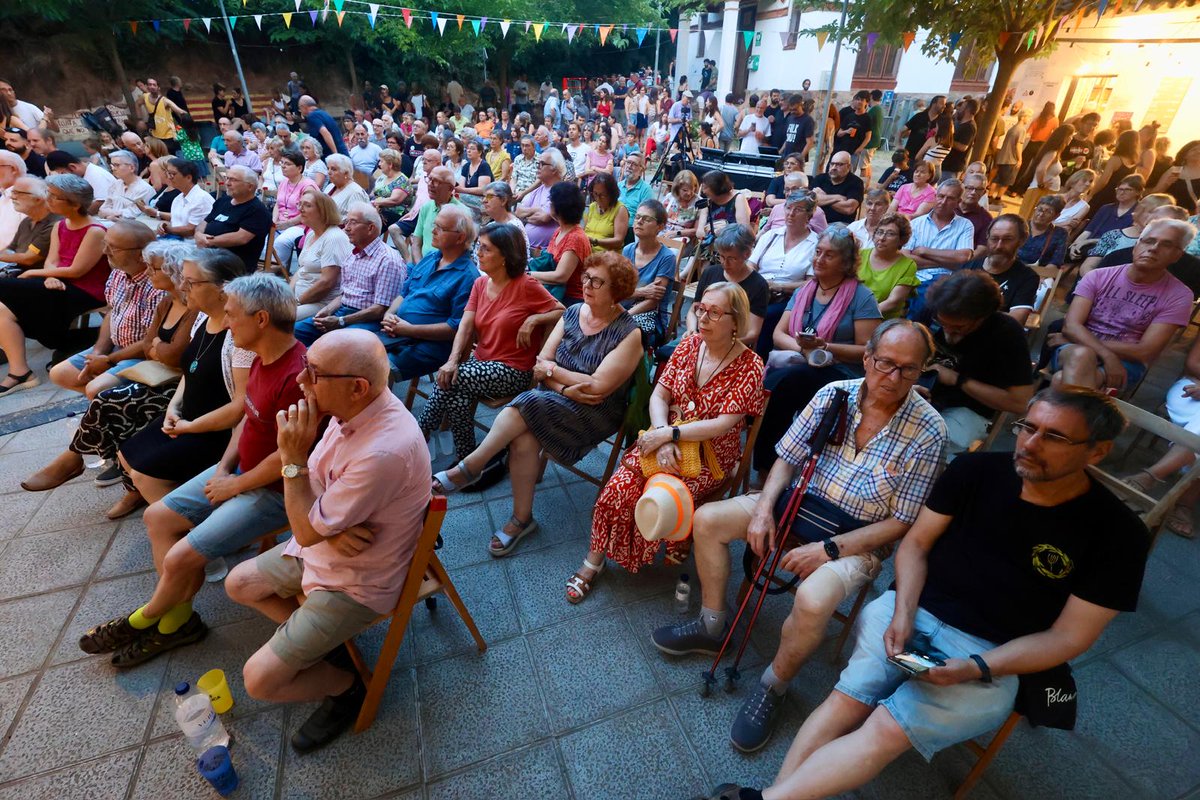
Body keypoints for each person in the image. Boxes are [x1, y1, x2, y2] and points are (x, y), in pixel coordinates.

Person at [712, 387, 1148, 800]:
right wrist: (903, 612)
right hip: (912, 609)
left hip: (994, 651)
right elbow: (916, 544)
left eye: (1054, 436)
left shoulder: (1119, 534)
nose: (1030, 444)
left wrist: (976, 666)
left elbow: (1070, 638)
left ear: (1097, 451)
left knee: (884, 732)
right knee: (846, 700)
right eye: (1027, 427)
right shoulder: (977, 472)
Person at [655, 320, 945, 752]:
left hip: (856, 536)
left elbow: (902, 522)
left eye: (909, 369)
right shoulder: (833, 395)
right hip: (796, 503)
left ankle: (775, 684)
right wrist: (764, 510)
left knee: (813, 599)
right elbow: (786, 459)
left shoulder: (930, 430)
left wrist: (829, 549)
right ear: (867, 358)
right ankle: (714, 624)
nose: (894, 377)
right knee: (709, 520)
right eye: (885, 363)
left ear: (921, 371)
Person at [78, 272, 305, 668]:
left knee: (182, 556)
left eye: (232, 315)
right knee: (158, 517)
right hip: (239, 474)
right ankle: (178, 620)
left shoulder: (294, 375)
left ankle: (145, 618)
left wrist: (233, 486)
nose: (227, 323)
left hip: (276, 491)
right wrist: (223, 469)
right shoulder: (261, 361)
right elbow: (247, 423)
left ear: (261, 320)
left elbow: (290, 458)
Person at [226, 327, 429, 752]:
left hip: (357, 583)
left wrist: (291, 461)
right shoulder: (346, 412)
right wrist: (328, 531)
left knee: (258, 681)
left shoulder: (382, 450)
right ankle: (321, 644)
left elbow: (302, 507)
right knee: (237, 583)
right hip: (322, 550)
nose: (301, 382)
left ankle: (346, 685)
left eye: (313, 373)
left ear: (358, 387)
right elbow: (315, 485)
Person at [568, 282, 766, 601]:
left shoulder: (750, 365)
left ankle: (675, 535)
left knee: (661, 496)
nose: (703, 316)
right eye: (700, 308)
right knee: (618, 488)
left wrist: (669, 434)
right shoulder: (688, 346)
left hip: (709, 454)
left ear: (736, 320)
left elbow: (724, 424)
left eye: (715, 312)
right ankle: (594, 561)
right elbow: (660, 394)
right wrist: (661, 433)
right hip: (665, 439)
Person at [21, 240, 199, 511]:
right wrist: (155, 349)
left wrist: (157, 349)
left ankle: (78, 457)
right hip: (157, 373)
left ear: (175, 272)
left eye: (155, 269)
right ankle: (123, 479)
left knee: (110, 401)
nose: (150, 273)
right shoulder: (166, 302)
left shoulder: (193, 307)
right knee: (110, 400)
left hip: (179, 382)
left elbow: (171, 354)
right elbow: (150, 346)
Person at [419, 222, 563, 463]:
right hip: (481, 365)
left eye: (486, 249)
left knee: (455, 378)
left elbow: (562, 311)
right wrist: (452, 360)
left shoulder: (526, 285)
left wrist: (534, 319)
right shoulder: (480, 283)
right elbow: (465, 326)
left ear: (505, 255)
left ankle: (420, 434)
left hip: (514, 371)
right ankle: (468, 458)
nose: (478, 253)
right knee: (457, 390)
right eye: (478, 247)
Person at [753, 227, 884, 472]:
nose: (819, 259)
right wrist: (806, 351)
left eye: (829, 255)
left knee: (784, 384)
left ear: (845, 263)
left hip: (842, 373)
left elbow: (868, 350)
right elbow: (779, 334)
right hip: (803, 364)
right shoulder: (806, 291)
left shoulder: (861, 297)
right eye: (818, 252)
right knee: (781, 382)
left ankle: (767, 466)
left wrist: (824, 347)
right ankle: (767, 463)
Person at [1052, 219, 1195, 392]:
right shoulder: (1098, 276)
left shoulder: (1179, 295)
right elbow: (1071, 326)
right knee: (1082, 356)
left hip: (1126, 361)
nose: (1153, 248)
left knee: (1062, 379)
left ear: (1177, 255)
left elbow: (1145, 351)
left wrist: (1083, 340)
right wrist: (1106, 355)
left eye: (1166, 245)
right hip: (1075, 349)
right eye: (1148, 241)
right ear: (1136, 245)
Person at [0, 175, 107, 393]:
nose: (48, 199)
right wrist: (48, 275)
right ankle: (20, 372)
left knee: (8, 287)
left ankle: (59, 339)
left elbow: (78, 270)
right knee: (2, 310)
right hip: (59, 283)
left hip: (86, 290)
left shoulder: (94, 230)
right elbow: (52, 260)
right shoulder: (60, 226)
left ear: (75, 204)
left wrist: (34, 274)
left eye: (54, 196)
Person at [44, 221, 163, 399]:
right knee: (59, 373)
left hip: (143, 356)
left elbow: (150, 339)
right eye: (105, 244)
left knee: (96, 388)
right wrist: (98, 352)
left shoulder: (157, 284)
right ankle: (110, 407)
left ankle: (109, 407)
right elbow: (112, 313)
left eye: (113, 247)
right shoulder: (118, 273)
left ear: (140, 255)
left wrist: (109, 360)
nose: (105, 251)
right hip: (115, 348)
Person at [923, 271, 1035, 454]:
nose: (948, 333)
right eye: (943, 324)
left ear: (983, 317)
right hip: (924, 393)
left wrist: (958, 380)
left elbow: (1020, 402)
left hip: (967, 410)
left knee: (928, 446)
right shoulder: (936, 308)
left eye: (959, 328)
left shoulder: (1006, 333)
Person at [379, 204, 478, 380]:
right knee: (353, 350)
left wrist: (409, 330)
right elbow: (405, 292)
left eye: (440, 228)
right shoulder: (432, 257)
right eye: (434, 225)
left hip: (429, 345)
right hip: (397, 331)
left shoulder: (468, 277)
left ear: (460, 237)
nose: (433, 231)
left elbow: (456, 328)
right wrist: (389, 314)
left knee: (371, 369)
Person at [296, 202, 404, 344]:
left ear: (370, 228)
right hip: (343, 312)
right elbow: (345, 295)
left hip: (369, 320)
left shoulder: (388, 260)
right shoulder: (353, 254)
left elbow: (380, 309)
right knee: (293, 331)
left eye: (352, 223)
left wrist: (341, 321)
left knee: (329, 345)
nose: (346, 228)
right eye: (346, 222)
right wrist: (327, 311)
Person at [750, 190, 821, 356]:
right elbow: (751, 265)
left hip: (789, 299)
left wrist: (779, 286)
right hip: (759, 291)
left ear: (809, 215)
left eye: (798, 209)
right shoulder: (771, 235)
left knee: (767, 316)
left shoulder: (816, 243)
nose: (791, 213)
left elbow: (812, 283)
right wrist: (757, 284)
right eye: (788, 208)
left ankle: (758, 363)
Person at [287, 189, 353, 322]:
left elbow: (327, 282)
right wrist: (287, 295)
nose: (301, 209)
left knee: (277, 318)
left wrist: (297, 301)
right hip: (300, 298)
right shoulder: (312, 234)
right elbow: (302, 269)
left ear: (323, 211)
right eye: (300, 204)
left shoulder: (334, 237)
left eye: (308, 205)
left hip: (321, 303)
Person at [193, 165, 271, 274]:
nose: (227, 183)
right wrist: (198, 234)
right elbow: (205, 221)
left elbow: (241, 237)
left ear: (250, 186)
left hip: (233, 264)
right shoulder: (223, 201)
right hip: (209, 254)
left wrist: (208, 241)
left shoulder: (257, 210)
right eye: (227, 178)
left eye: (233, 180)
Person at [1079, 193, 1177, 276]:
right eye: (1152, 212)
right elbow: (1087, 267)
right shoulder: (1113, 235)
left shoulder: (1164, 246)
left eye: (1164, 214)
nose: (1157, 217)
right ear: (1140, 211)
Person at [621, 200, 676, 339]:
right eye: (638, 217)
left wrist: (624, 315)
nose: (639, 222)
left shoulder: (667, 257)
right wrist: (642, 291)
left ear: (660, 226)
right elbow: (618, 290)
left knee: (622, 331)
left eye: (646, 219)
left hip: (649, 317)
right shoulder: (628, 250)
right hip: (622, 308)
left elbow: (652, 301)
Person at [532, 182, 591, 304]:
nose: (549, 206)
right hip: (553, 291)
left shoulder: (576, 238)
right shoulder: (559, 231)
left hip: (569, 299)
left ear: (559, 207)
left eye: (551, 203)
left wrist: (528, 274)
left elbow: (561, 276)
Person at [859, 213, 919, 320]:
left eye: (890, 234)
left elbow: (893, 302)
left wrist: (861, 314)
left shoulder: (908, 266)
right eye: (879, 232)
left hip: (883, 320)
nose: (881, 238)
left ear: (901, 239)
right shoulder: (859, 255)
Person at [1072, 174, 1144, 260]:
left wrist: (1087, 242)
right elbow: (1088, 231)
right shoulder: (1106, 208)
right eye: (1119, 189)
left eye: (1128, 190)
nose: (1121, 192)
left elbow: (1124, 240)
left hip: (1113, 250)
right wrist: (1075, 245)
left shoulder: (1139, 213)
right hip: (1088, 246)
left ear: (1138, 192)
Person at [0, 175, 59, 273]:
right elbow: (10, 249)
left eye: (18, 193)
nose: (12, 196)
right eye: (13, 192)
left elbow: (28, 259)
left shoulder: (54, 224)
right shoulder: (27, 221)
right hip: (15, 272)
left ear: (38, 199)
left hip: (37, 278)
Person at [271, 150, 318, 270]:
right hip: (281, 222)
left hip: (301, 224)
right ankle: (267, 265)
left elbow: (308, 213)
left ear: (299, 168)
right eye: (282, 162)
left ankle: (277, 269)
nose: (283, 166)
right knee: (263, 237)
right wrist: (273, 221)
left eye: (287, 164)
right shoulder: (284, 182)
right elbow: (278, 204)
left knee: (282, 241)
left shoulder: (308, 186)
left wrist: (288, 224)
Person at [515, 149, 565, 251]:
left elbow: (544, 218)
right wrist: (538, 209)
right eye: (538, 163)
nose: (538, 167)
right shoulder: (536, 191)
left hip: (547, 253)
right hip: (528, 250)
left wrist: (527, 215)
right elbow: (518, 212)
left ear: (554, 169)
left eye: (542, 164)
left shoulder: (561, 191)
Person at [44, 150, 118, 215]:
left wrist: (78, 216)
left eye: (63, 173)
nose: (63, 177)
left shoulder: (97, 175)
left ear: (72, 167)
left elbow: (101, 202)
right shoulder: (84, 174)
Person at [94, 149, 154, 222]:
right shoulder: (116, 184)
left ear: (131, 168)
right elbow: (102, 210)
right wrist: (113, 215)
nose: (113, 168)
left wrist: (111, 214)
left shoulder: (144, 189)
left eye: (116, 165)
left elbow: (134, 214)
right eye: (112, 165)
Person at [989, 108, 1031, 204]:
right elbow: (1018, 145)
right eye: (1028, 117)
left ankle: (989, 196)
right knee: (1006, 182)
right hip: (1011, 159)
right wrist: (1020, 159)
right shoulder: (1022, 130)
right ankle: (998, 199)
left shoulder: (1013, 128)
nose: (1029, 119)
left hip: (1003, 157)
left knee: (997, 178)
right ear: (1023, 117)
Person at [812, 152, 865, 226]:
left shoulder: (856, 183)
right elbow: (811, 201)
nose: (833, 167)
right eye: (832, 164)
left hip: (840, 225)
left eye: (839, 165)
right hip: (816, 222)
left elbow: (849, 208)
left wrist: (823, 196)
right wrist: (837, 197)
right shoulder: (820, 179)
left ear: (848, 167)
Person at [583, 172, 629, 253]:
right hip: (588, 251)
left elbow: (618, 241)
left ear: (611, 194)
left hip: (608, 256)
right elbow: (583, 231)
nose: (598, 198)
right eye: (595, 194)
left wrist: (595, 241)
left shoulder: (620, 209)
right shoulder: (592, 207)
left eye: (602, 195)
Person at [369, 148, 412, 230]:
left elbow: (394, 201)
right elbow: (373, 194)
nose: (379, 164)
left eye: (381, 161)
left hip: (395, 214)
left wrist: (375, 202)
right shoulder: (382, 176)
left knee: (366, 225)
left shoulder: (401, 180)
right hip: (378, 210)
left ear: (390, 164)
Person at [1153, 139, 1200, 210]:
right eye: (1194, 150)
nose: (1198, 152)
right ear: (1185, 155)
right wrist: (1167, 184)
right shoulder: (1175, 171)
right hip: (1176, 213)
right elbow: (1155, 193)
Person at [141, 78, 185, 153]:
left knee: (172, 155)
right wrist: (139, 119)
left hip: (169, 135)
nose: (152, 87)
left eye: (154, 85)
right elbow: (137, 104)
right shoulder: (144, 97)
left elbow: (179, 111)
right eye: (150, 84)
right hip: (155, 134)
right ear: (147, 86)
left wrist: (188, 122)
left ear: (158, 88)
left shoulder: (165, 101)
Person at [832, 91, 872, 171]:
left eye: (862, 100)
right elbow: (839, 133)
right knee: (838, 170)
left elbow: (868, 137)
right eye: (857, 99)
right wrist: (846, 131)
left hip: (854, 151)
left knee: (850, 172)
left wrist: (859, 149)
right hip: (843, 148)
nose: (859, 102)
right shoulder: (849, 116)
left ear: (866, 102)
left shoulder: (867, 118)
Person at [956, 173, 993, 257]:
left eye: (979, 189)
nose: (973, 192)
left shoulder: (986, 219)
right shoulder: (948, 206)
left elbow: (982, 249)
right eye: (969, 188)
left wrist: (960, 261)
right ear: (961, 188)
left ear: (984, 193)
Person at [898, 95, 945, 160]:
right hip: (910, 156)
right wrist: (899, 145)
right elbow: (902, 131)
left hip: (927, 159)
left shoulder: (942, 121)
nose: (944, 106)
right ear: (934, 103)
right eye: (942, 103)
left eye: (945, 104)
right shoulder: (919, 116)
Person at [323, 153, 370, 217]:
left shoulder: (355, 192)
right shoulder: (330, 186)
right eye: (328, 168)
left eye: (333, 169)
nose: (329, 172)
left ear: (346, 173)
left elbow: (356, 220)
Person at [940, 97, 978, 176]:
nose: (959, 109)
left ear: (967, 110)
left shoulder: (969, 127)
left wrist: (947, 140)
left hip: (952, 168)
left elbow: (963, 147)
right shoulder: (958, 122)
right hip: (946, 164)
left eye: (962, 107)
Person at [1052, 168, 1096, 236]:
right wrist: (1064, 223)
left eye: (1090, 181)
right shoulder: (1054, 198)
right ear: (1074, 181)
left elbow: (1067, 228)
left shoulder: (1084, 207)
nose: (1087, 184)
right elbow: (1040, 221)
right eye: (1084, 180)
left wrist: (1051, 223)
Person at [663, 168, 701, 240]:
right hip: (663, 232)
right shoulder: (670, 197)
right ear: (677, 188)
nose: (689, 193)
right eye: (685, 190)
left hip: (682, 237)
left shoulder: (699, 203)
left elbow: (697, 230)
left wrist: (676, 233)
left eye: (692, 189)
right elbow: (658, 217)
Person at [617, 151, 654, 217]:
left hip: (631, 226)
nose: (629, 166)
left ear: (641, 170)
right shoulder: (618, 186)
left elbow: (646, 216)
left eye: (634, 164)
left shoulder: (646, 190)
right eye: (628, 162)